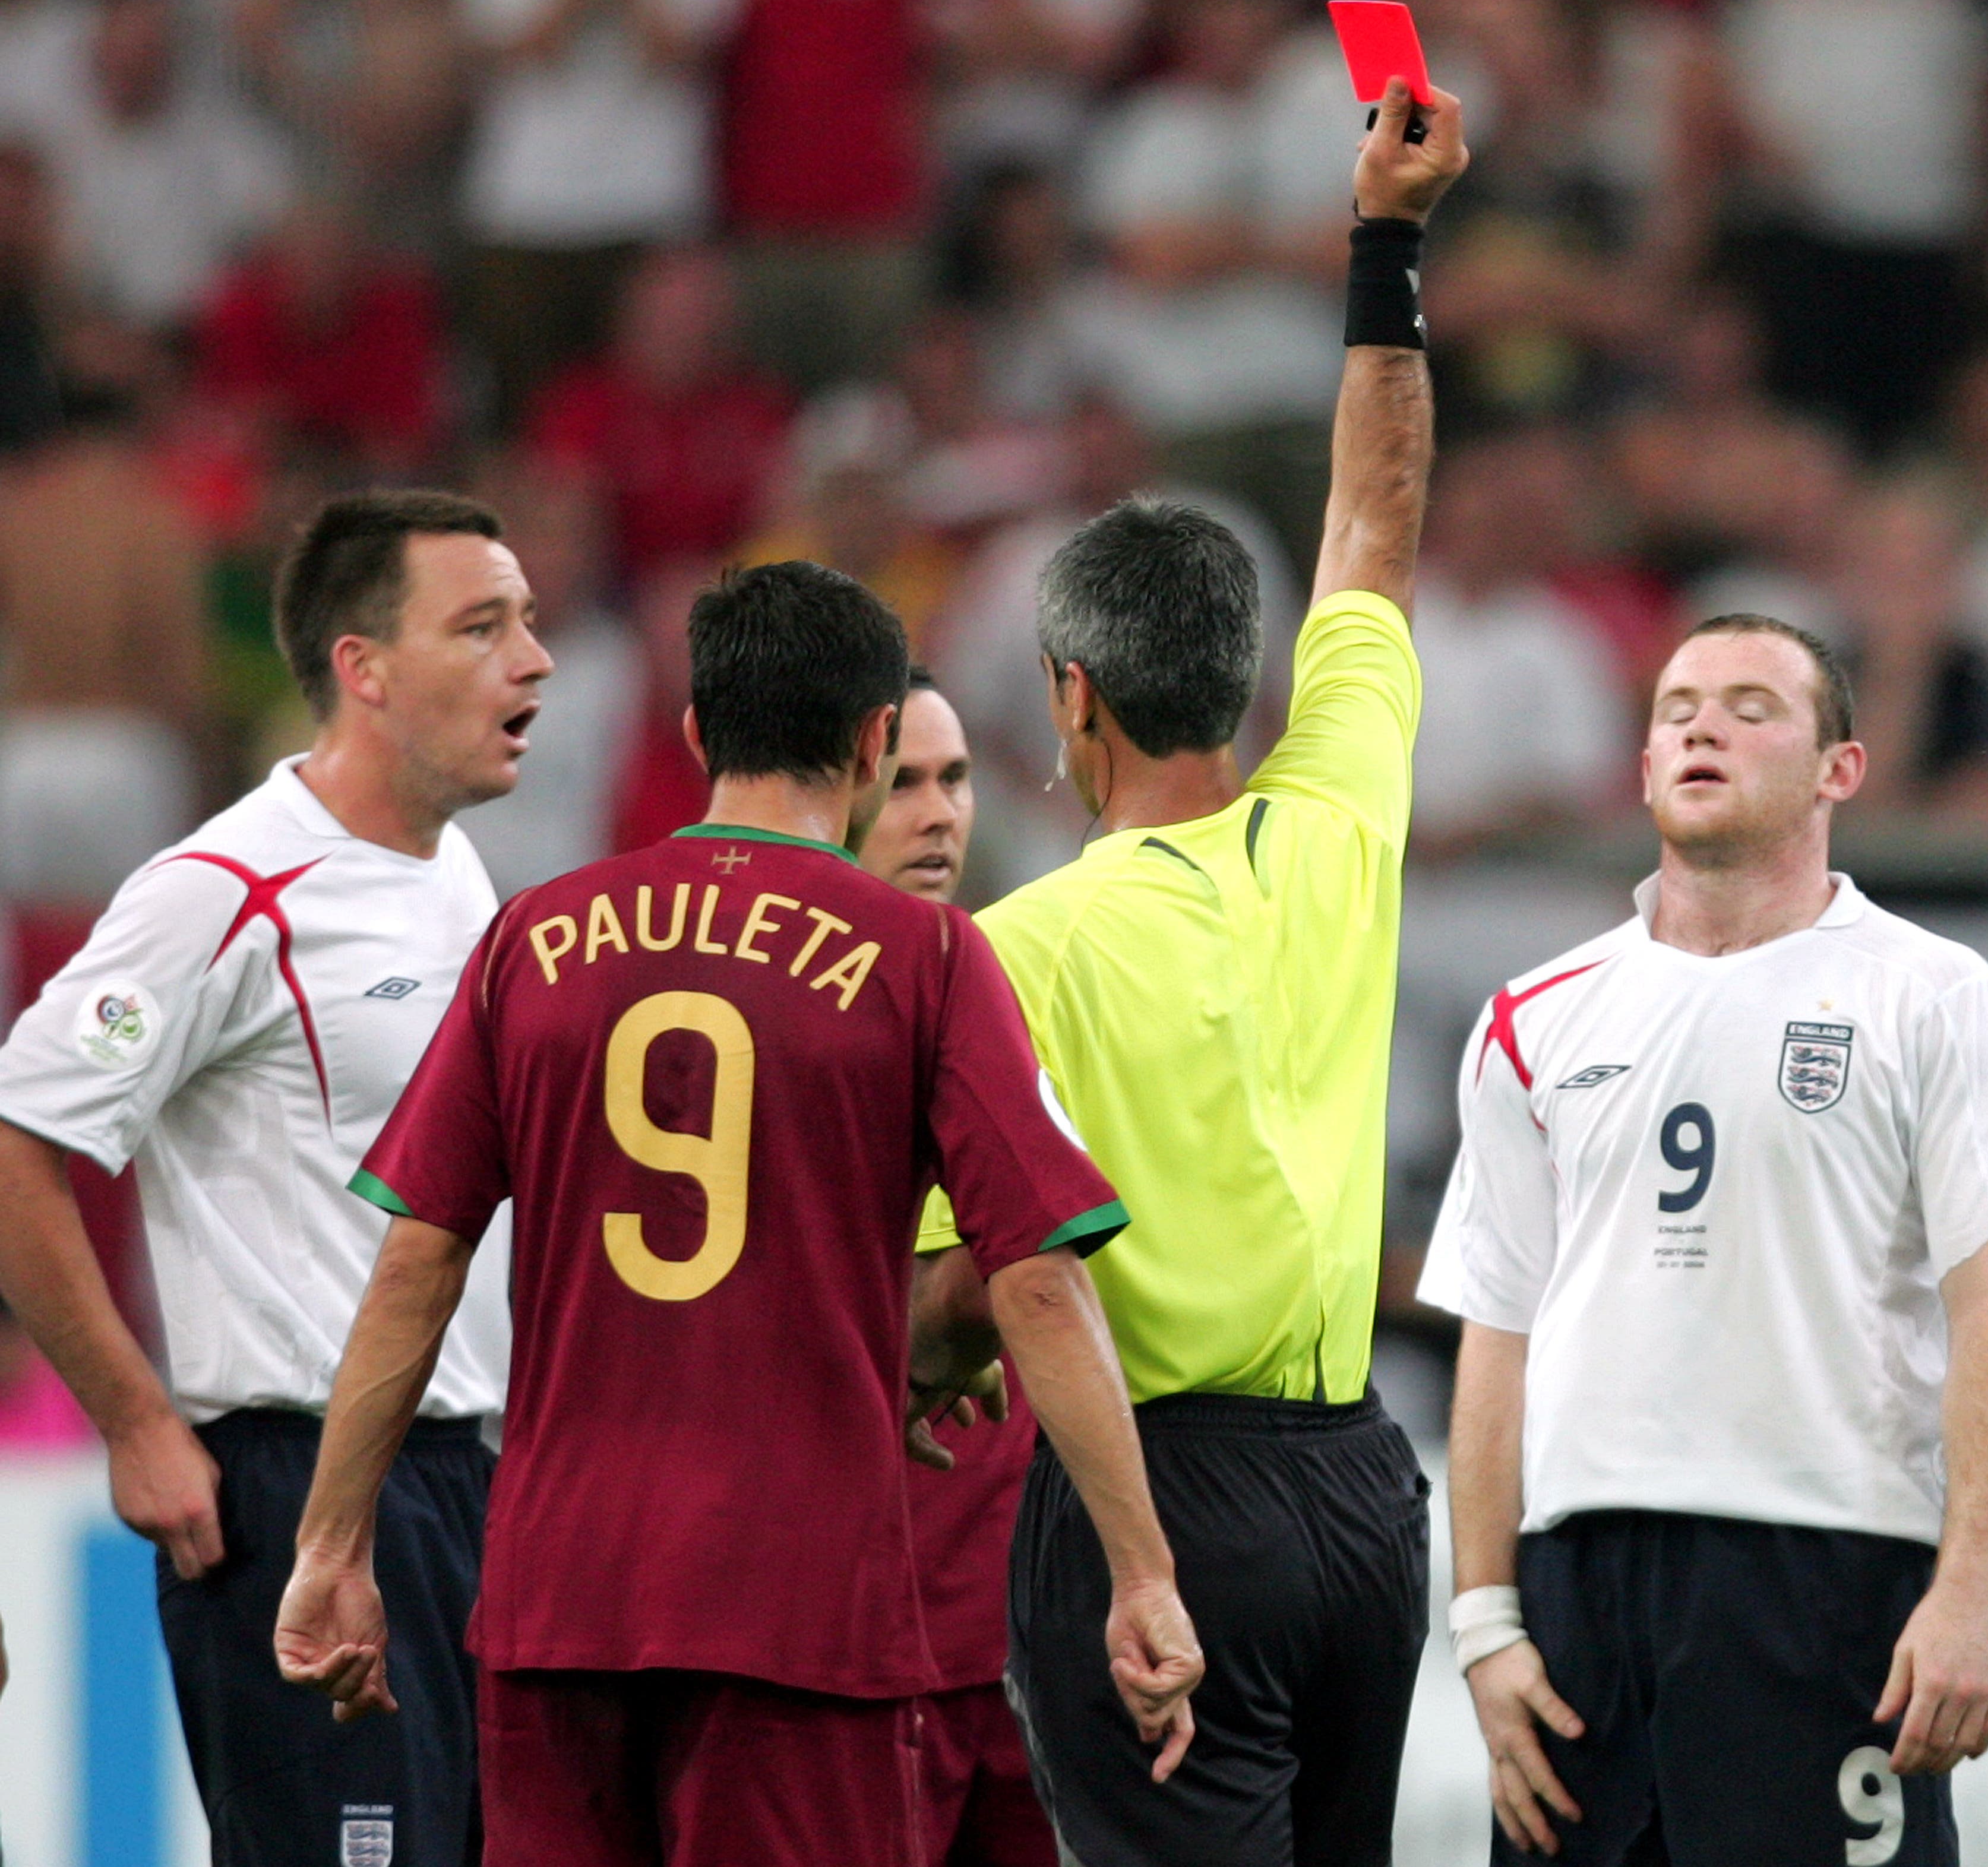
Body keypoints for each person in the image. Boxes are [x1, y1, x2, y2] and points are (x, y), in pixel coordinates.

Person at [271, 561, 1202, 1865]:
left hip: (556, 1599)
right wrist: (1142, 1571)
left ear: (698, 732)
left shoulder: (530, 940)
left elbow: (417, 1263)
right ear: (879, 737)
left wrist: (330, 1542)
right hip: (796, 1606)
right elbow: (1038, 1279)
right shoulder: (923, 957)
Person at [913, 73, 1466, 1867]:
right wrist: (1383, 246)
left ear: (1069, 698)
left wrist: (928, 1361)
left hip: (1152, 1495)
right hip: (1364, 1493)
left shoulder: (1010, 950)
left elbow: (962, 1302)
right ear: (1247, 678)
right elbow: (1375, 515)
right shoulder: (1337, 830)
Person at [1416, 614, 1988, 1865]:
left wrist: (1972, 1590)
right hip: (1578, 1593)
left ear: (1840, 770)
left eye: (1753, 706)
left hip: (1819, 1575)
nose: (1702, 725)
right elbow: (1499, 1330)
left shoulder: (1935, 995)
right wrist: (1487, 1620)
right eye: (1676, 707)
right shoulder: (1532, 1015)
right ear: (1647, 761)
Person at [0, 490, 549, 1865]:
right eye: (482, 627)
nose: (532, 660)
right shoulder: (225, 887)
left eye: (529, 622)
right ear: (363, 669)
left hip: (460, 1485)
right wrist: (134, 1420)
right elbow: (16, 1142)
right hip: (298, 1481)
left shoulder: (459, 874)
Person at [859, 667, 1053, 1866]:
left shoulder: (1017, 985)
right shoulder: (784, 1029)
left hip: (1023, 1636)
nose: (940, 814)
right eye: (902, 785)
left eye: (957, 780)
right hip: (861, 1637)